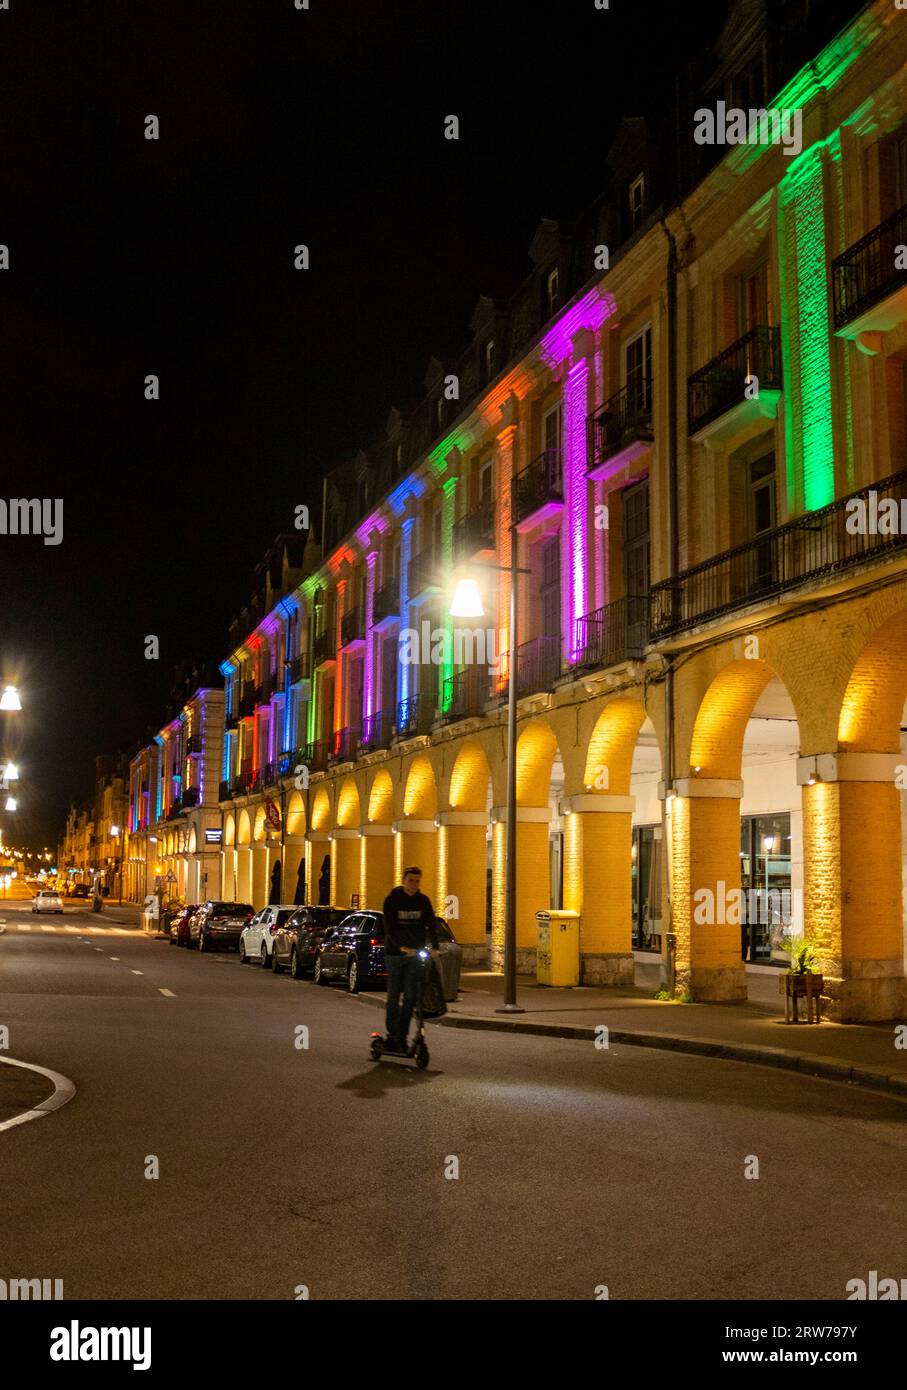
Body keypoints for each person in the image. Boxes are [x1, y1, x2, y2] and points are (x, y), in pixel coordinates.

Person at [382, 867, 439, 1053]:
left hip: (415, 955)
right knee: (393, 997)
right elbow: (390, 927)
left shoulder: (423, 901)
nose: (414, 885)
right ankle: (392, 1035)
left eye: (417, 881)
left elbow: (431, 924)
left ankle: (401, 1037)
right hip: (395, 955)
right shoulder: (392, 900)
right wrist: (400, 947)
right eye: (411, 881)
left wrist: (435, 947)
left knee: (410, 996)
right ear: (404, 880)